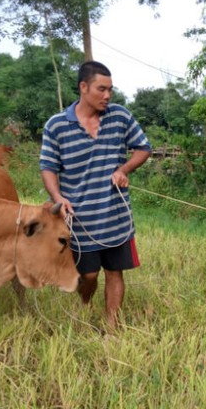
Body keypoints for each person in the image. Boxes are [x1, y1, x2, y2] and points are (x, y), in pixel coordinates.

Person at [40, 60, 152, 327]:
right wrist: (58, 198)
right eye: (101, 89)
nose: (107, 95)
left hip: (116, 218)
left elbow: (144, 148)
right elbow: (48, 167)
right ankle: (86, 303)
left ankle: (112, 325)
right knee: (88, 275)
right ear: (83, 87)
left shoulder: (120, 117)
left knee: (115, 273)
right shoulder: (56, 126)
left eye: (110, 89)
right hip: (80, 221)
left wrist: (124, 169)